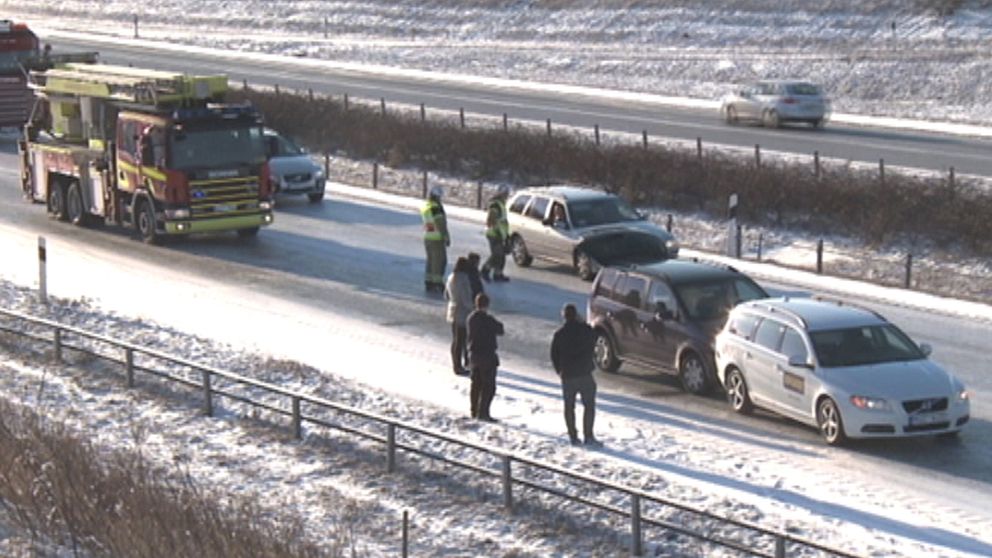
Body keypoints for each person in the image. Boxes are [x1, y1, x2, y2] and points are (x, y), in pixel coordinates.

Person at [550, 303, 602, 447]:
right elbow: (594, 339)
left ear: (564, 316)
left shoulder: (560, 334)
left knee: (569, 407)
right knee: (589, 406)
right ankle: (588, 435)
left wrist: (559, 370)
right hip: (584, 373)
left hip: (568, 375)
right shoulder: (585, 330)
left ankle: (573, 436)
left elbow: (554, 355)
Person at [466, 293, 503, 422]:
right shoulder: (488, 320)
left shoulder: (471, 318)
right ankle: (483, 412)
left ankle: (474, 410)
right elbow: (500, 329)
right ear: (487, 305)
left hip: (474, 355)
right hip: (487, 356)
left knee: (475, 384)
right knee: (488, 386)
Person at [445, 257, 474, 377]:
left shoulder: (451, 277)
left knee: (456, 340)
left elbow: (446, 294)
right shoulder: (463, 279)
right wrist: (472, 307)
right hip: (462, 312)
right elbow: (465, 297)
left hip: (452, 310)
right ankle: (458, 366)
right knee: (461, 340)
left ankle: (456, 364)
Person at [421, 185, 450, 293]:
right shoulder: (436, 207)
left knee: (430, 260)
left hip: (428, 236)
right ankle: (437, 282)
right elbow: (440, 223)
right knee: (440, 261)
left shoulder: (427, 205)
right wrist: (445, 236)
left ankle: (429, 280)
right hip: (437, 237)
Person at [480, 184, 511, 283]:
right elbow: (491, 220)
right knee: (496, 255)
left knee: (501, 255)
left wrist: (506, 234)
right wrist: (497, 231)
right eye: (506, 194)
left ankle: (498, 274)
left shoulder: (501, 204)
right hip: (494, 234)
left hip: (500, 234)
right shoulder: (496, 205)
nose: (507, 196)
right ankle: (485, 270)